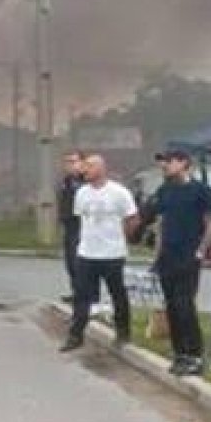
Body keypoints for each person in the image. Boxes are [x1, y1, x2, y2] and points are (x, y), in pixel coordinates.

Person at [142, 150, 211, 375]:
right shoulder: (165, 191)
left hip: (188, 254)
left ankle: (194, 353)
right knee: (171, 305)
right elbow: (161, 224)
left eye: (170, 161)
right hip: (168, 256)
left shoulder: (200, 190)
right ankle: (179, 352)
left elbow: (210, 222)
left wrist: (201, 250)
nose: (165, 165)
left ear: (184, 163)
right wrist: (157, 256)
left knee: (184, 305)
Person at [61, 154, 140, 351]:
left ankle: (123, 333)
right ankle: (76, 334)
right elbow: (81, 218)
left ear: (101, 169)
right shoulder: (82, 194)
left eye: (89, 166)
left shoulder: (119, 192)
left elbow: (133, 218)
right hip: (87, 253)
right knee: (82, 295)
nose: (84, 170)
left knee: (117, 293)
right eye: (84, 166)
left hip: (112, 253)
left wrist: (124, 236)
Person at [57, 150, 87, 302]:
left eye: (73, 162)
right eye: (67, 162)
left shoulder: (86, 181)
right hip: (69, 224)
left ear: (82, 163)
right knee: (70, 261)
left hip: (81, 225)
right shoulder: (66, 181)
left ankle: (85, 294)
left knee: (79, 262)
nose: (70, 165)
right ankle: (75, 291)